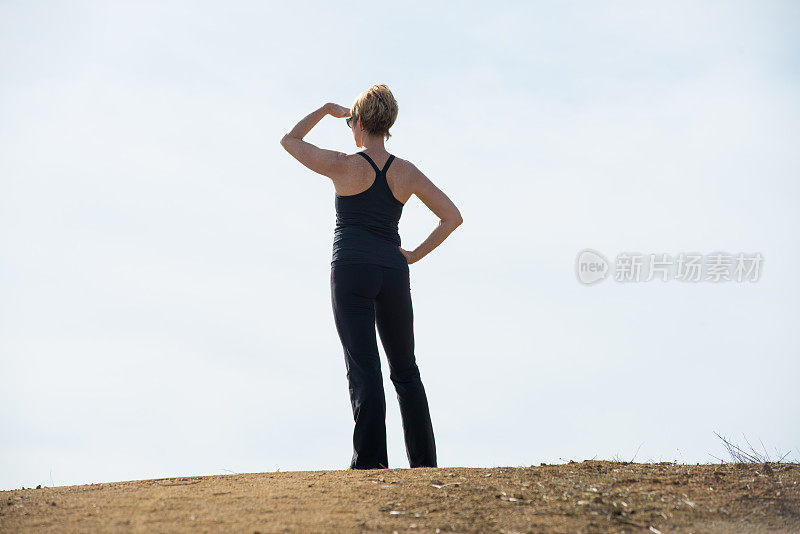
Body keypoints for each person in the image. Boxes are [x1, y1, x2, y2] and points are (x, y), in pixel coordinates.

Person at [279, 84, 463, 470]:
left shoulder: (343, 164)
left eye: (349, 122)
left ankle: (370, 462)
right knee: (406, 370)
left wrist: (325, 110)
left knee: (363, 367)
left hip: (351, 269)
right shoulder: (407, 172)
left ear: (359, 121)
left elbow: (290, 141)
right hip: (392, 271)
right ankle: (424, 464)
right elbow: (452, 217)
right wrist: (413, 255)